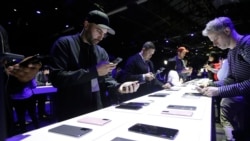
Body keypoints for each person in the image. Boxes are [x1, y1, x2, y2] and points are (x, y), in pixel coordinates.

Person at [49, 10, 140, 122]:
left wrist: (119, 87)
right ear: (86, 25)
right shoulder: (64, 44)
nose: (101, 37)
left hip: (96, 107)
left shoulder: (101, 52)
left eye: (104, 33)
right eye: (98, 31)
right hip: (71, 110)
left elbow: (107, 79)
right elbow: (56, 78)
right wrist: (94, 72)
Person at [200, 16, 250, 141]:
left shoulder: (247, 45)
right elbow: (232, 79)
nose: (214, 44)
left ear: (227, 31)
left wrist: (220, 91)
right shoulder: (231, 52)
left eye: (215, 38)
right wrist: (210, 84)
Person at [0, 25, 42, 137]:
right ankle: (37, 132)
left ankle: (23, 134)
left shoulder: (10, 72)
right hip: (27, 97)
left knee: (21, 118)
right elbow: (34, 86)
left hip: (15, 99)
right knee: (33, 116)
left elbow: (8, 87)